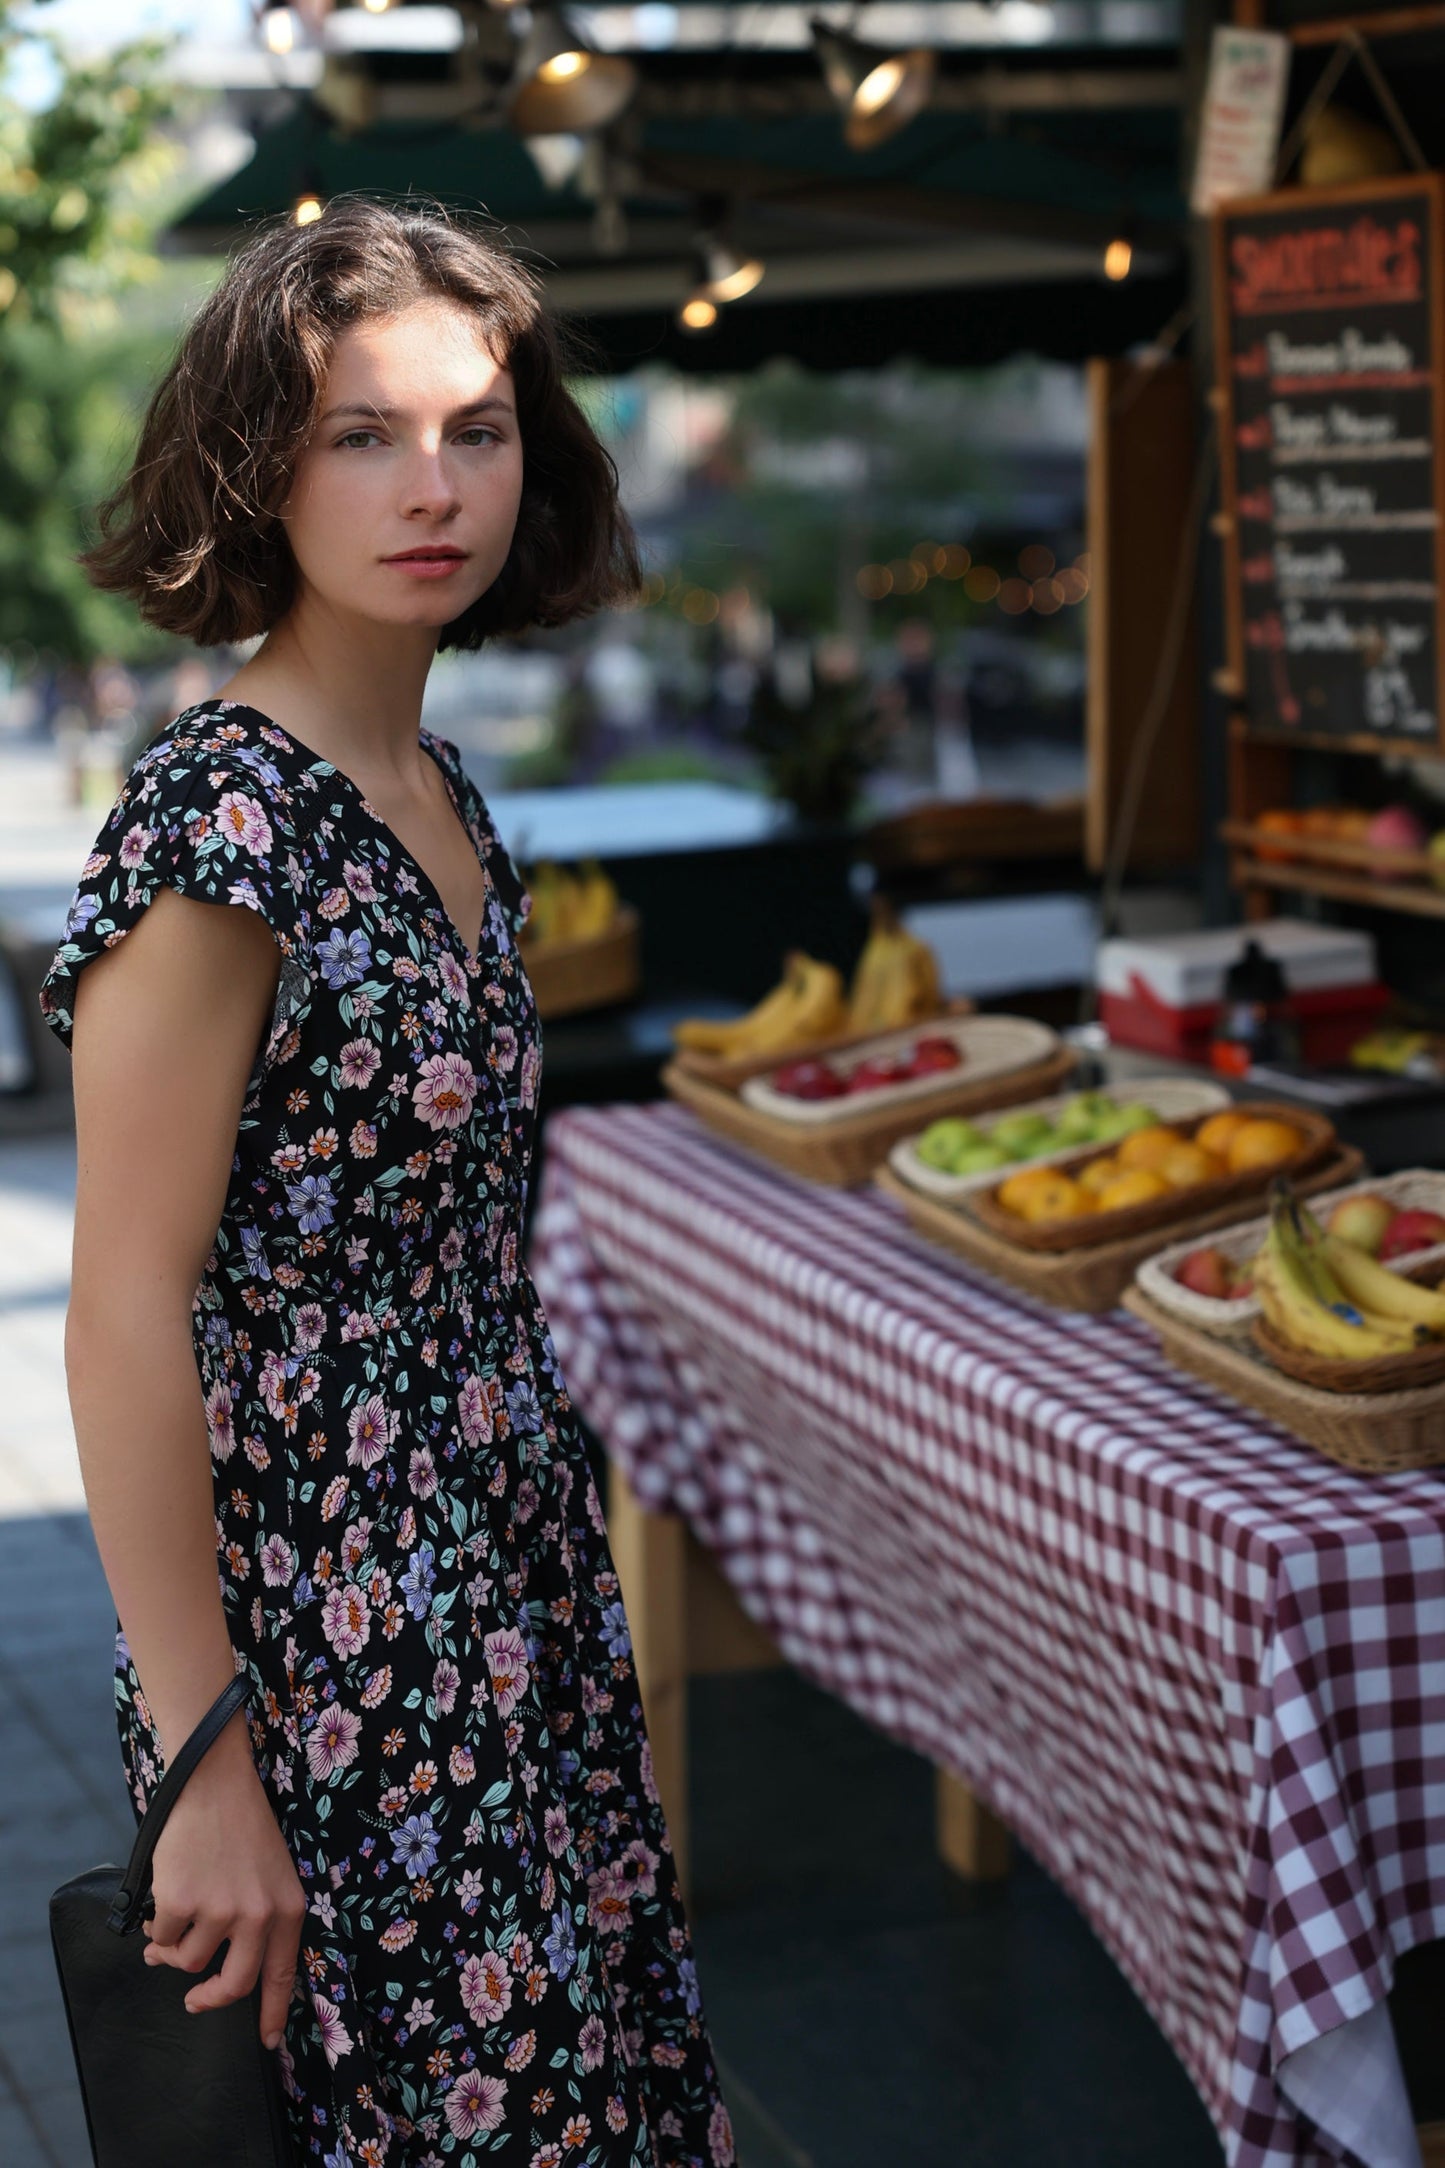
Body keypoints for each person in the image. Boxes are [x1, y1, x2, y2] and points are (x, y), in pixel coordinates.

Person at [38, 197, 734, 2168]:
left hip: (511, 1591)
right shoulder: (216, 828)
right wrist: (205, 1765)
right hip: (326, 1667)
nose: (433, 484)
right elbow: (121, 1304)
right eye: (363, 432)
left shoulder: (443, 795)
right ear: (261, 459)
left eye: (476, 427)